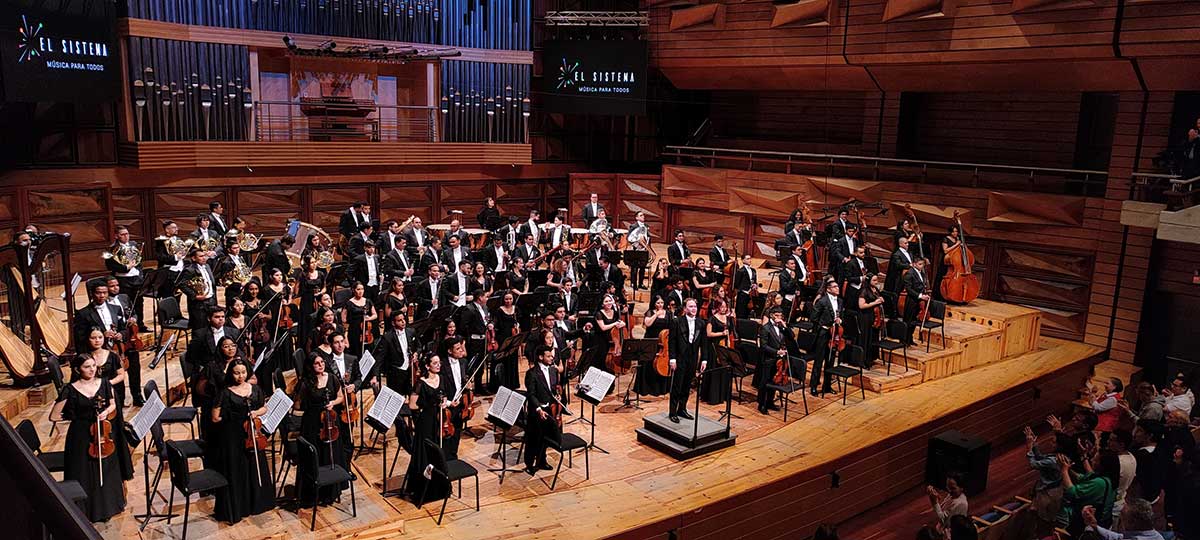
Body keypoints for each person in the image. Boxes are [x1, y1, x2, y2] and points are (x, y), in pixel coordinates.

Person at [49, 355, 126, 522]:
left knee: (106, 468)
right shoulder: (70, 389)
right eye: (86, 367)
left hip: (101, 432)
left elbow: (112, 403)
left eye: (93, 366)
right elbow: (54, 416)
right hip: (80, 436)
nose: (92, 370)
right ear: (77, 370)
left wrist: (106, 411)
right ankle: (84, 512)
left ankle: (108, 507)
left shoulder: (104, 383)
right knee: (82, 471)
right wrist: (76, 417)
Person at [211, 359, 274, 523]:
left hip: (252, 435)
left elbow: (264, 407)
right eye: (237, 373)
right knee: (237, 470)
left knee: (255, 467)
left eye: (243, 372)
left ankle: (258, 503)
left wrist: (256, 413)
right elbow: (215, 418)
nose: (240, 376)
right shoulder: (225, 392)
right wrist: (233, 416)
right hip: (233, 437)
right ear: (231, 374)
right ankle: (241, 506)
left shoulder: (255, 389)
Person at [77, 329, 133, 480]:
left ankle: (119, 469)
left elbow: (122, 375)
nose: (97, 340)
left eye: (100, 337)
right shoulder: (85, 358)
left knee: (114, 432)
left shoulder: (112, 356)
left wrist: (106, 384)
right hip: (92, 400)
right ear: (88, 339)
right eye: (93, 337)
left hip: (111, 398)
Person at [293, 354, 345, 505]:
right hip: (312, 424)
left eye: (322, 362)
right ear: (310, 366)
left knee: (330, 454)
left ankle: (330, 492)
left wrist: (333, 403)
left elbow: (340, 396)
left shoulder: (332, 378)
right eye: (316, 363)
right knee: (314, 455)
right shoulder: (305, 383)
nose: (321, 365)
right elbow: (297, 406)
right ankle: (312, 493)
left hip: (329, 422)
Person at [404, 354, 452, 505]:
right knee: (425, 453)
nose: (438, 365)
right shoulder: (420, 383)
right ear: (427, 366)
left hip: (439, 420)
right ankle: (424, 489)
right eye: (435, 363)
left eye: (439, 362)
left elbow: (443, 396)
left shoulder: (441, 378)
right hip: (425, 422)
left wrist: (444, 403)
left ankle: (438, 487)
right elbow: (412, 405)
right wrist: (429, 403)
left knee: (439, 451)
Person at [668, 298, 709, 423]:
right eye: (690, 306)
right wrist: (672, 359)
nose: (693, 309)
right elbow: (672, 341)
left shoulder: (701, 323)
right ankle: (673, 411)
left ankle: (682, 408)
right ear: (685, 309)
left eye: (695, 306)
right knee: (677, 385)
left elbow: (704, 343)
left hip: (692, 357)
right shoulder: (677, 322)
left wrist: (704, 360)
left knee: (687, 384)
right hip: (680, 357)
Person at [524, 345, 562, 475]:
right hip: (536, 411)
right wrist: (539, 409)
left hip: (549, 410)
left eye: (552, 355)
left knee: (545, 438)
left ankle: (541, 460)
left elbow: (553, 389)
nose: (552, 358)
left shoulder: (552, 371)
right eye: (549, 356)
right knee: (533, 439)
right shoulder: (532, 373)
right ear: (541, 357)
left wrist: (557, 395)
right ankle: (529, 464)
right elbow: (531, 394)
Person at [1024, 425, 1065, 533]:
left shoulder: (1053, 460)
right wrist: (1034, 445)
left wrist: (1029, 447)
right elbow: (1041, 458)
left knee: (1043, 520)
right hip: (1053, 490)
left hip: (1048, 494)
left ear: (1060, 445)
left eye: (1054, 442)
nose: (1051, 443)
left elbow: (1033, 464)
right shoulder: (1060, 456)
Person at [105, 225, 145, 330]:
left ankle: (140, 324)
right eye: (123, 234)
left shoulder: (134, 244)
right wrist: (126, 267)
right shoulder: (111, 248)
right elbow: (109, 266)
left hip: (136, 279)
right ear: (117, 236)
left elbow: (139, 260)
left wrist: (139, 273)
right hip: (122, 280)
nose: (126, 236)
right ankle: (126, 327)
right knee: (126, 304)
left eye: (127, 234)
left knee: (138, 302)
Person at [810, 279, 843, 397]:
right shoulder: (822, 301)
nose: (837, 288)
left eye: (837, 286)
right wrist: (826, 324)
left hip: (834, 334)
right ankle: (813, 386)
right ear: (828, 289)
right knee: (819, 361)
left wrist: (840, 320)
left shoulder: (839, 301)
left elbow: (840, 314)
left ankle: (827, 386)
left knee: (830, 361)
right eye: (835, 287)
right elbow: (814, 318)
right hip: (823, 333)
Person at [439, 336, 470, 460]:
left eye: (461, 348)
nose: (461, 351)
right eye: (458, 349)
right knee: (446, 436)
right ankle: (444, 459)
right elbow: (440, 388)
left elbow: (463, 382)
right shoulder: (442, 365)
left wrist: (468, 386)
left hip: (460, 404)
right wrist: (449, 402)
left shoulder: (463, 362)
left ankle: (453, 456)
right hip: (447, 406)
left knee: (457, 433)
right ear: (449, 351)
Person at [1080, 498, 1164, 540]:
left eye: (1123, 516)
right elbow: (1119, 537)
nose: (1120, 519)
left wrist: (1088, 527)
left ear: (1132, 523)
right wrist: (1094, 526)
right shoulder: (1157, 536)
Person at [179, 248, 217, 330]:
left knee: (211, 328)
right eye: (201, 256)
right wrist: (195, 296)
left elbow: (211, 283)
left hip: (211, 301)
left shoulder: (207, 266)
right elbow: (182, 285)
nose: (204, 258)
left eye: (205, 256)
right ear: (193, 258)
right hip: (198, 305)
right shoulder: (189, 270)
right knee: (199, 329)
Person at [341, 281, 379, 356]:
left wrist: (369, 318)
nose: (361, 291)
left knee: (368, 349)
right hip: (354, 330)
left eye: (362, 289)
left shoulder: (368, 301)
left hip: (366, 329)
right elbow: (343, 319)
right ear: (353, 290)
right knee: (356, 350)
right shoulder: (348, 303)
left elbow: (375, 315)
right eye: (358, 289)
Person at [901, 258, 932, 345]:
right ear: (914, 264)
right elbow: (909, 289)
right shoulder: (909, 274)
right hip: (911, 300)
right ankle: (904, 340)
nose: (922, 266)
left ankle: (910, 339)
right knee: (908, 321)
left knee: (914, 321)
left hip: (919, 300)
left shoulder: (921, 273)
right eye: (920, 264)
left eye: (922, 264)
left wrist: (924, 294)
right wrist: (920, 295)